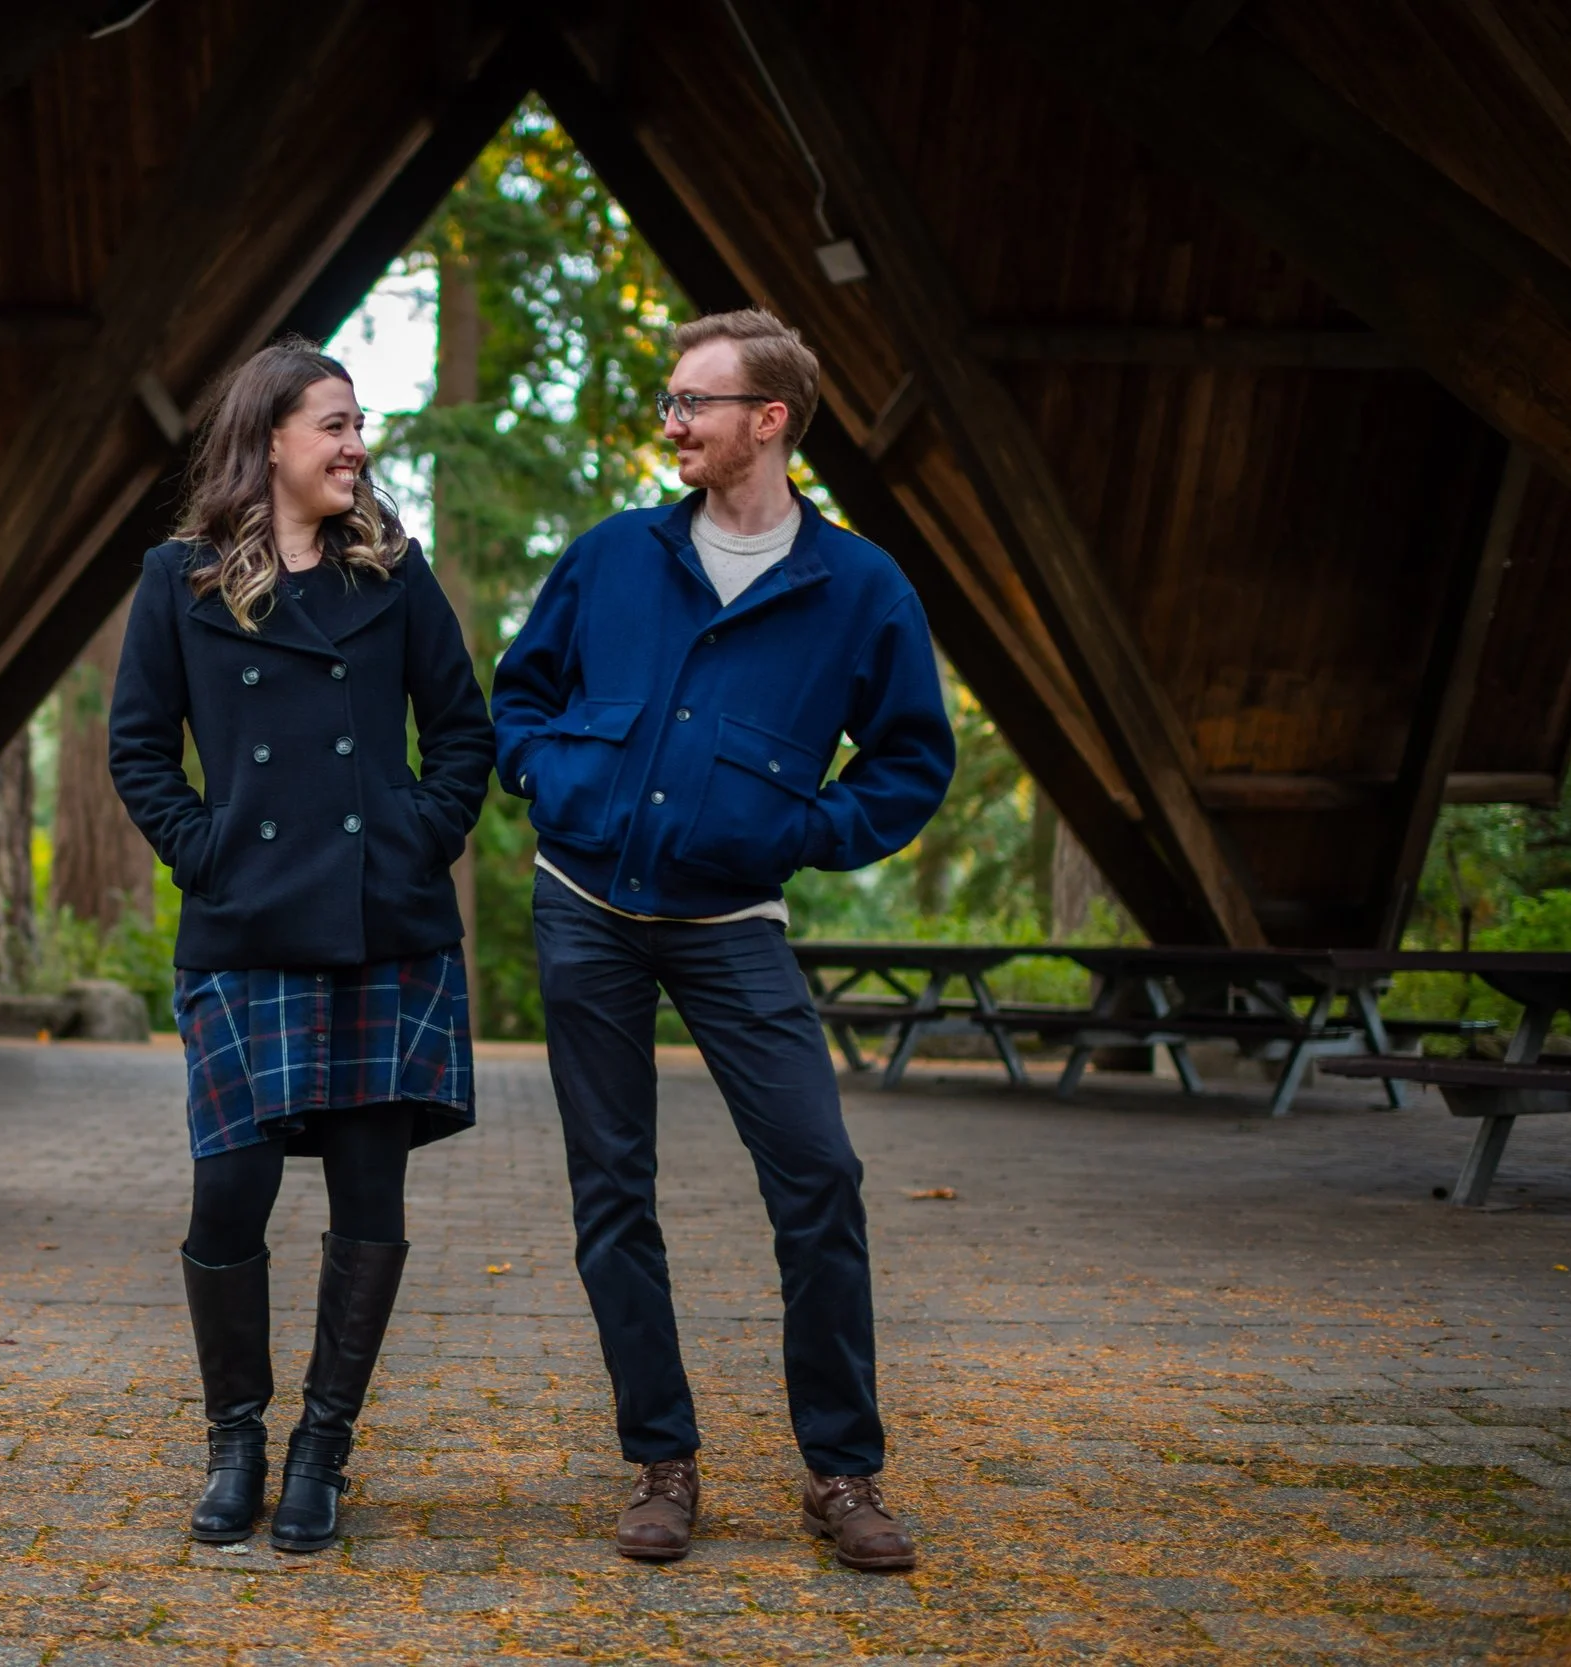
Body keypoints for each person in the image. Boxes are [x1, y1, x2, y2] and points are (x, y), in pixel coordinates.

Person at [491, 309, 954, 1568]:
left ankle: (843, 1473)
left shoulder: (859, 586)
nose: (671, 421)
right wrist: (549, 776)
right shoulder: (612, 555)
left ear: (770, 419)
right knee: (611, 1191)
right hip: (584, 907)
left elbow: (912, 759)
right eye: (668, 399)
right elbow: (520, 691)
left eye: (695, 401)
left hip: (731, 920)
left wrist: (799, 829)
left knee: (818, 1176)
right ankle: (661, 1459)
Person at [110, 337, 494, 1553]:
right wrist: (209, 851)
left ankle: (323, 1449)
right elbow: (137, 749)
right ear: (268, 436)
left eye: (359, 423)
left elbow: (463, 733)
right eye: (333, 423)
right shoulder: (178, 580)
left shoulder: (392, 571)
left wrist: (413, 838)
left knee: (369, 1195)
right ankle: (237, 1440)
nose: (355, 445)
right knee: (231, 1183)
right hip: (244, 923)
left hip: (384, 926)